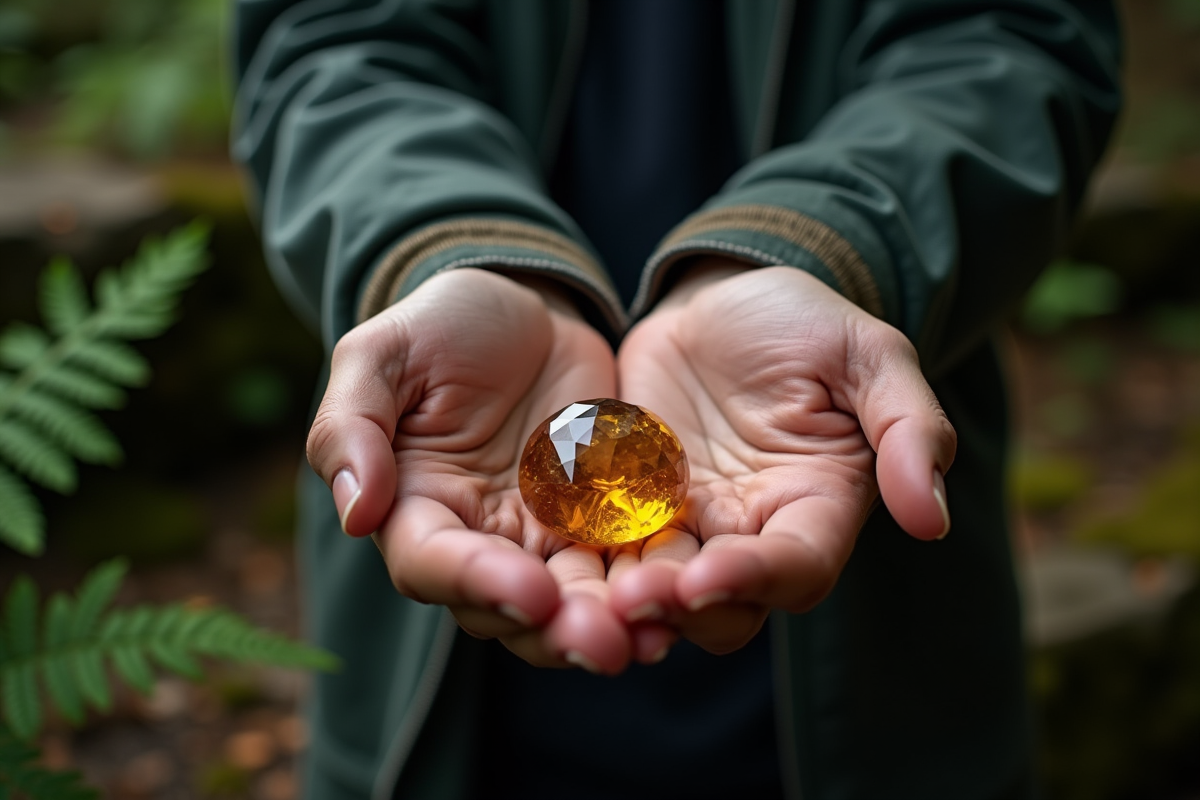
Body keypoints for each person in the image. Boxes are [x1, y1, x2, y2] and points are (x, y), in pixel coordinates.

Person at [232, 1, 1121, 797]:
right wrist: (440, 244)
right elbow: (330, 44)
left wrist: (824, 245)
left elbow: (1009, 42)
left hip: (872, 626)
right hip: (442, 635)